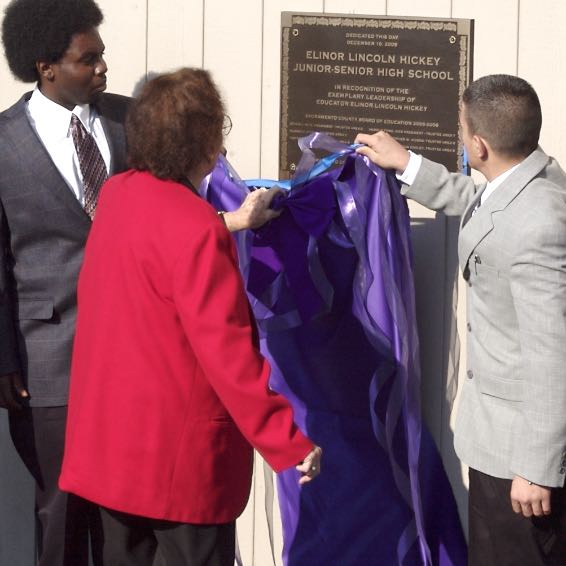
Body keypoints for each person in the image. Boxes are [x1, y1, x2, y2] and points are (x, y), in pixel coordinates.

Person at [0, 1, 281, 564]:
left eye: (103, 55)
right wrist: (5, 358)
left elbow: (164, 228)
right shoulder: (3, 144)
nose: (105, 67)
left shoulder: (133, 121)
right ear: (46, 66)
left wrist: (234, 221)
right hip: (46, 363)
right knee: (61, 512)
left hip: (132, 364)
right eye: (90, 58)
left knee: (119, 525)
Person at [59, 67, 322, 566]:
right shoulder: (196, 229)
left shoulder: (117, 196)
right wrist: (286, 441)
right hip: (177, 463)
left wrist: (232, 222)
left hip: (111, 450)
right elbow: (229, 356)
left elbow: (158, 245)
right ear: (203, 142)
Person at [356, 74, 566, 565]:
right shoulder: (533, 181)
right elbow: (479, 202)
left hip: (520, 461)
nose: (458, 136)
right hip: (500, 442)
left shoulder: (538, 226)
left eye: (460, 127)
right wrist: (407, 164)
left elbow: (552, 354)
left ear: (479, 143)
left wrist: (536, 467)